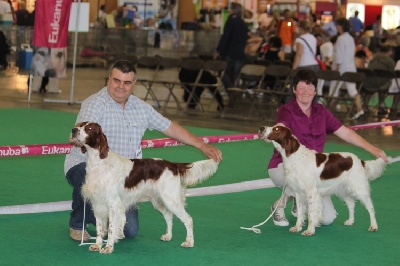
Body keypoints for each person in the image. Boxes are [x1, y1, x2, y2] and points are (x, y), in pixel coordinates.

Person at [64, 60, 222, 242]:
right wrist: (77, 139)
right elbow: (82, 129)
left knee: (130, 230)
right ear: (108, 79)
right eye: (116, 80)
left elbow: (170, 128)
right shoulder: (95, 103)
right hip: (85, 164)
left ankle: (108, 216)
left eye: (127, 82)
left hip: (124, 173)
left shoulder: (140, 107)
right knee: (90, 180)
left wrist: (201, 145)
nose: (121, 87)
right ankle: (79, 223)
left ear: (134, 83)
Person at [267, 69, 388, 227]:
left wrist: (372, 149)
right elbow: (281, 126)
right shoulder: (286, 110)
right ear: (294, 90)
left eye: (310, 88)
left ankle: (301, 199)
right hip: (282, 166)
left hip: (315, 170)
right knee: (301, 178)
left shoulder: (321, 111)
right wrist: (275, 131)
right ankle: (279, 206)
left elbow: (345, 133)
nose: (306, 92)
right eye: (301, 88)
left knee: (327, 219)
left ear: (315, 91)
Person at [329, 18, 364, 120]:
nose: (336, 27)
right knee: (353, 91)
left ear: (341, 26)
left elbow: (339, 56)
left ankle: (327, 111)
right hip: (350, 68)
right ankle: (359, 110)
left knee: (333, 90)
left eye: (337, 25)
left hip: (341, 69)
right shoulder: (350, 38)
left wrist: (336, 68)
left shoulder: (341, 39)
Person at [214, 2, 249, 89]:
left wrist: (219, 50)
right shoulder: (243, 23)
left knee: (222, 72)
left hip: (229, 52)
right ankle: (233, 95)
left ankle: (231, 90)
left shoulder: (230, 22)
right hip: (240, 54)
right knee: (234, 75)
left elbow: (225, 38)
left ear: (233, 10)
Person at [363, 46, 395, 115]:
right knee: (386, 82)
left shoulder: (372, 59)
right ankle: (381, 106)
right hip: (380, 85)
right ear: (389, 51)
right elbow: (392, 73)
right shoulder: (389, 61)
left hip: (367, 84)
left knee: (370, 87)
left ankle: (365, 106)